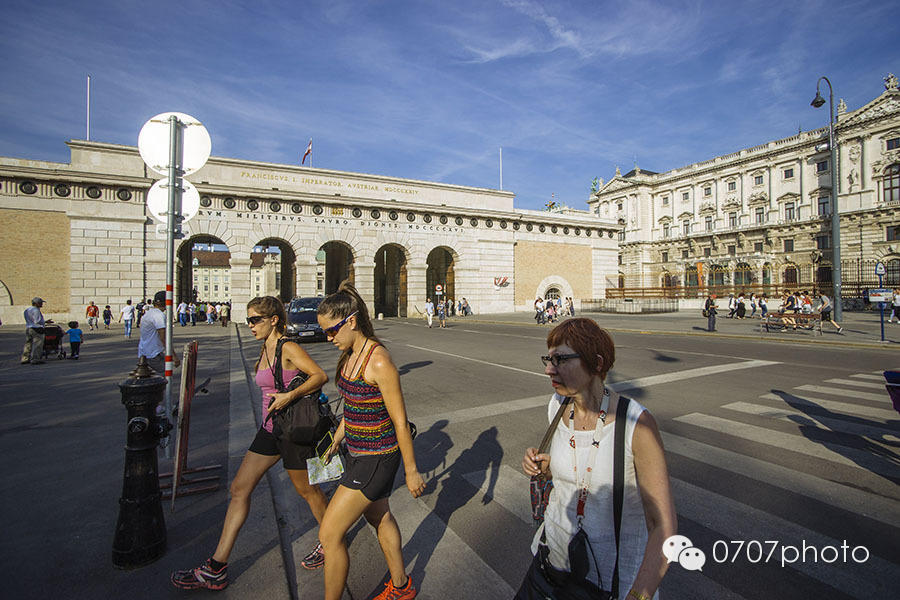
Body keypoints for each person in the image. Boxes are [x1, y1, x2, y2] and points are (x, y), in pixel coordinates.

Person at [172, 296, 330, 590]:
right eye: (248, 320)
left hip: (293, 432)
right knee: (238, 489)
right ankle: (216, 567)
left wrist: (289, 396)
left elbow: (320, 375)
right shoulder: (264, 348)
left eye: (255, 319)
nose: (250, 325)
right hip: (269, 431)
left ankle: (330, 540)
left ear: (273, 320)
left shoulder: (288, 347)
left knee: (309, 492)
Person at [519, 319, 676, 599]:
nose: (548, 369)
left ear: (597, 363)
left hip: (608, 584)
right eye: (548, 358)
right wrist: (547, 470)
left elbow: (663, 525)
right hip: (547, 565)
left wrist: (640, 594)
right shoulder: (557, 405)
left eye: (561, 359)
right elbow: (576, 474)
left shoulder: (636, 424)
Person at [316, 281, 425, 600]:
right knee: (379, 516)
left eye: (332, 330)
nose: (329, 338)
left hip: (377, 458)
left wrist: (411, 470)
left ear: (350, 321)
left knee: (330, 533)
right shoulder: (349, 355)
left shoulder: (378, 361)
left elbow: (400, 421)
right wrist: (337, 438)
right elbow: (353, 405)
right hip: (358, 451)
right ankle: (402, 586)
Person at [139, 291, 180, 374]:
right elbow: (164, 338)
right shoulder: (159, 316)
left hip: (146, 350)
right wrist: (174, 356)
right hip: (154, 353)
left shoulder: (149, 313)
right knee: (165, 377)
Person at [21, 297, 46, 365]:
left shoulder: (27, 310)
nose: (42, 304)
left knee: (28, 344)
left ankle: (25, 358)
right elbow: (37, 320)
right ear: (37, 303)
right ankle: (35, 359)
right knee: (38, 344)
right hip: (37, 329)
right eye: (41, 303)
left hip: (29, 327)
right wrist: (44, 322)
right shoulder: (36, 310)